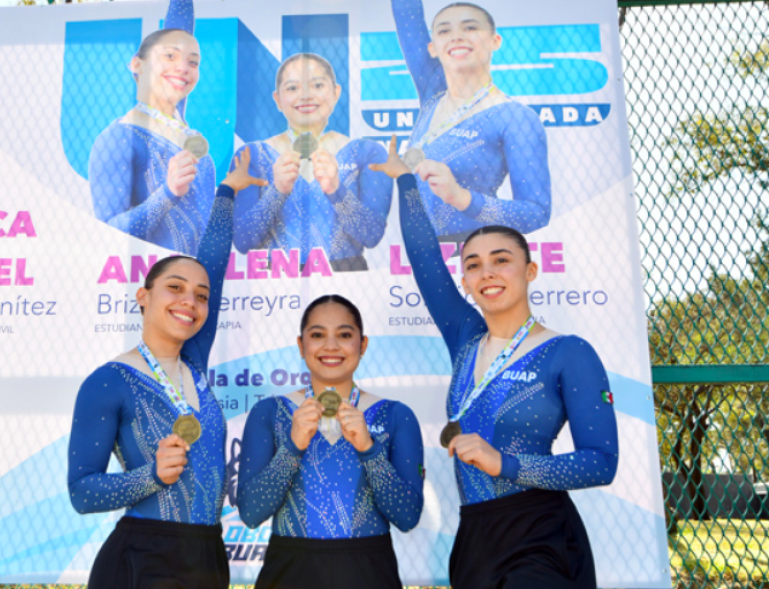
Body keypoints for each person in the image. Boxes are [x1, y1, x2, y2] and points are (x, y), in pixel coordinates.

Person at [370, 137, 617, 589]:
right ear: (465, 280)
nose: (487, 273)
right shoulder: (465, 337)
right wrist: (405, 181)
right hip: (476, 538)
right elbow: (424, 258)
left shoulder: (569, 352)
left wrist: (505, 463)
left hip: (541, 534)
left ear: (530, 270)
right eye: (474, 265)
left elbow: (601, 463)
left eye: (501, 261)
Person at [67, 150, 266, 589]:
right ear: (144, 296)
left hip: (208, 556)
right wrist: (150, 476)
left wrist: (227, 191)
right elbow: (82, 491)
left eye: (200, 296)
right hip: (143, 557)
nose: (189, 302)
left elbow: (213, 264)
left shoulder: (193, 363)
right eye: (175, 288)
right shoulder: (109, 381)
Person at [237, 295, 424, 589]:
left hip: (368, 572)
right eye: (317, 335)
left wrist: (369, 449)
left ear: (363, 344)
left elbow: (407, 516)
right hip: (290, 571)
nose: (331, 346)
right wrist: (292, 447)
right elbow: (251, 512)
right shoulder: (270, 412)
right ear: (301, 346)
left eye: (345, 335)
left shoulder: (396, 415)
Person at [391, 0, 551, 241]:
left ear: (495, 41)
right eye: (444, 31)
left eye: (470, 27)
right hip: (416, 252)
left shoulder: (516, 118)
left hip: (474, 251)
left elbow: (536, 213)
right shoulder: (433, 95)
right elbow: (406, 13)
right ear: (432, 48)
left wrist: (462, 197)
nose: (456, 36)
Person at [231, 54, 393, 272]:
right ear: (277, 99)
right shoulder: (252, 155)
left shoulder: (367, 153)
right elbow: (243, 241)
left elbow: (371, 235)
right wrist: (276, 192)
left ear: (336, 93)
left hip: (345, 277)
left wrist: (336, 190)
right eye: (292, 88)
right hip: (275, 282)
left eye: (317, 85)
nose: (306, 95)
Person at [89, 0, 214, 256]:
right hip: (151, 275)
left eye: (193, 62)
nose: (182, 68)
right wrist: (168, 193)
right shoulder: (120, 137)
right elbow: (109, 233)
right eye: (169, 56)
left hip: (202, 275)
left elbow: (179, 28)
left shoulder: (181, 130)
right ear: (138, 64)